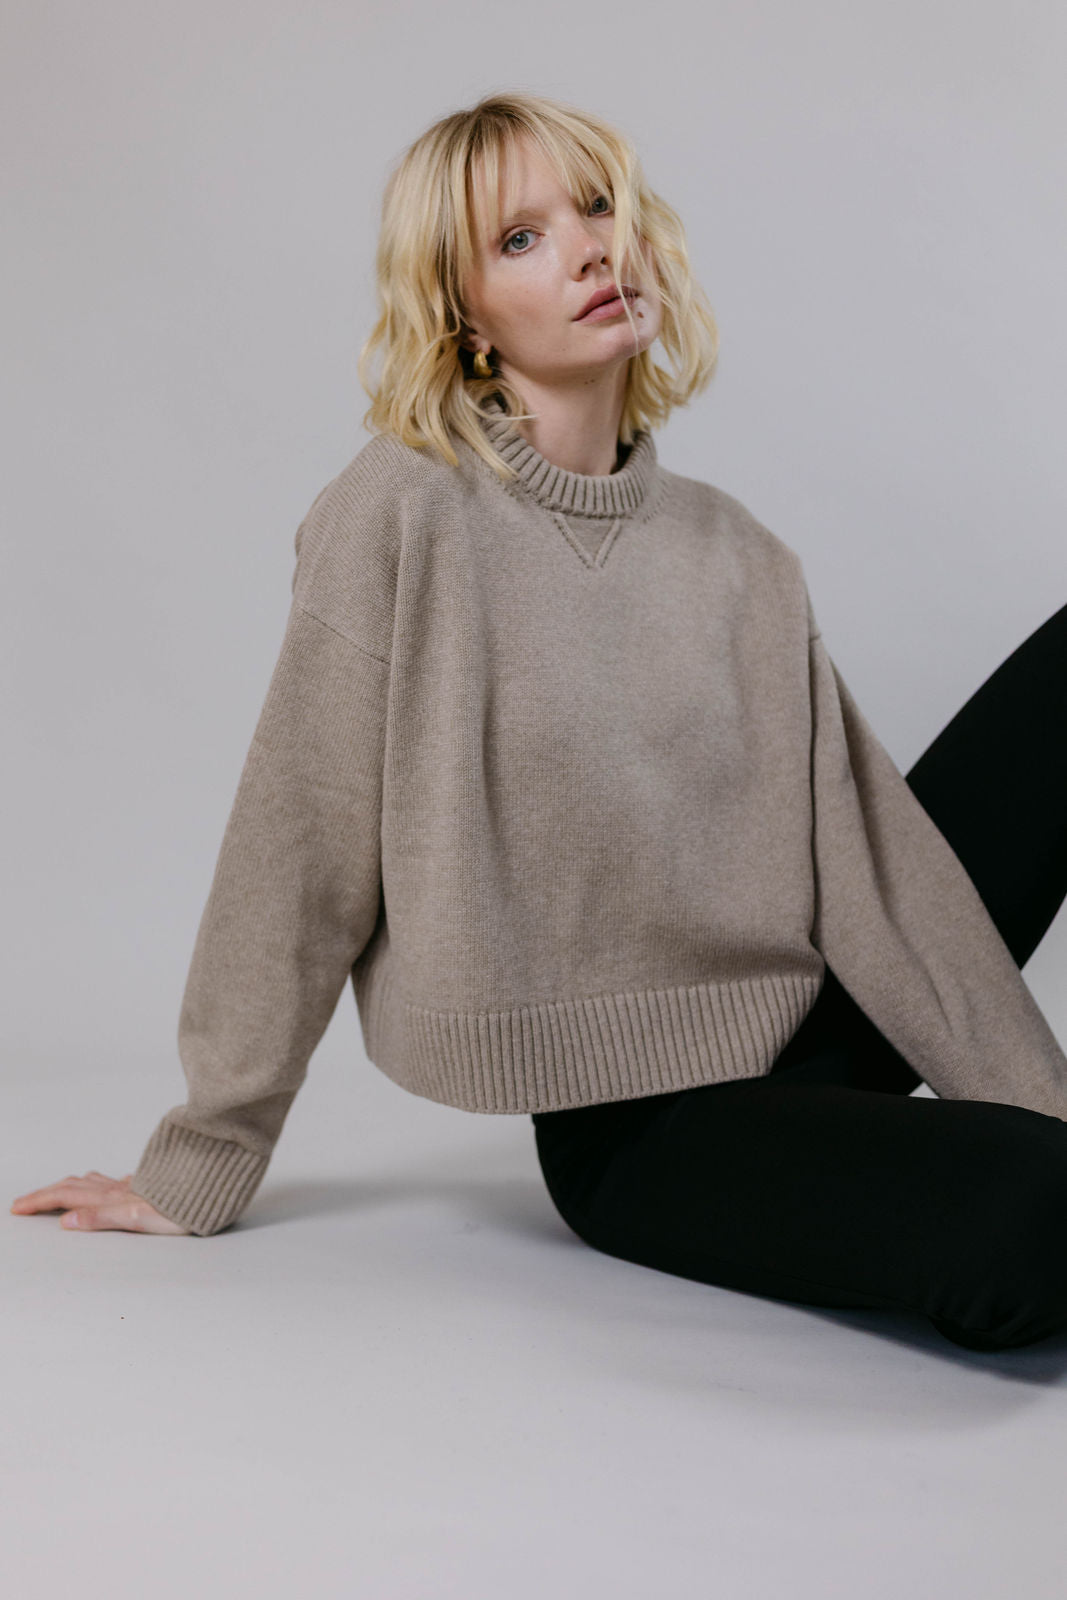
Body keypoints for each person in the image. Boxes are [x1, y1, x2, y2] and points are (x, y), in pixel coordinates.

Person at [12, 92, 1067, 1351]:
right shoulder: (401, 513)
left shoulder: (739, 554)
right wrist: (202, 1157)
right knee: (1031, 1215)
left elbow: (877, 870)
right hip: (643, 1129)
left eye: (597, 207)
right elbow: (299, 841)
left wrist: (1035, 1105)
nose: (586, 250)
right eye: (519, 239)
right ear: (462, 313)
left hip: (804, 1025)